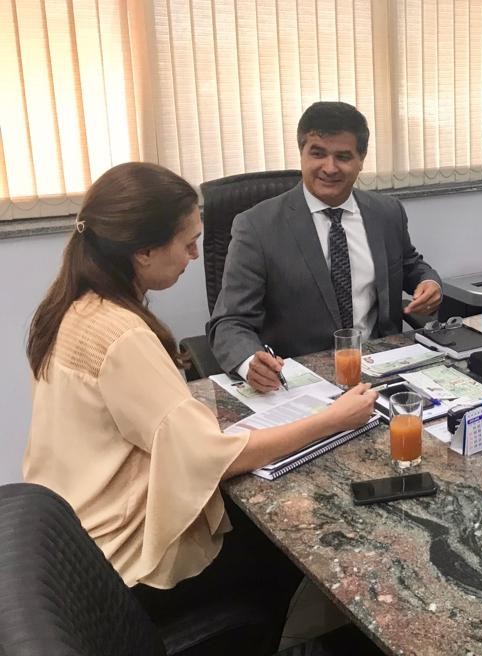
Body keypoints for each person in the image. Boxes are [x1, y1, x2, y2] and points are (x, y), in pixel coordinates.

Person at [23, 162, 378, 653]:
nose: (195, 255)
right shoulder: (122, 335)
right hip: (126, 564)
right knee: (300, 546)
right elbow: (214, 458)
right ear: (143, 251)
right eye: (188, 242)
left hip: (73, 543)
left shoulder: (75, 307)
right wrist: (332, 420)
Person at [208, 101, 442, 392]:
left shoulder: (387, 212)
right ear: (302, 153)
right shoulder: (256, 226)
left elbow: (410, 265)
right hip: (299, 379)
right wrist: (249, 363)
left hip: (381, 370)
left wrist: (428, 282)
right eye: (317, 153)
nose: (329, 168)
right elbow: (230, 322)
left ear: (361, 159)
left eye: (343, 157)